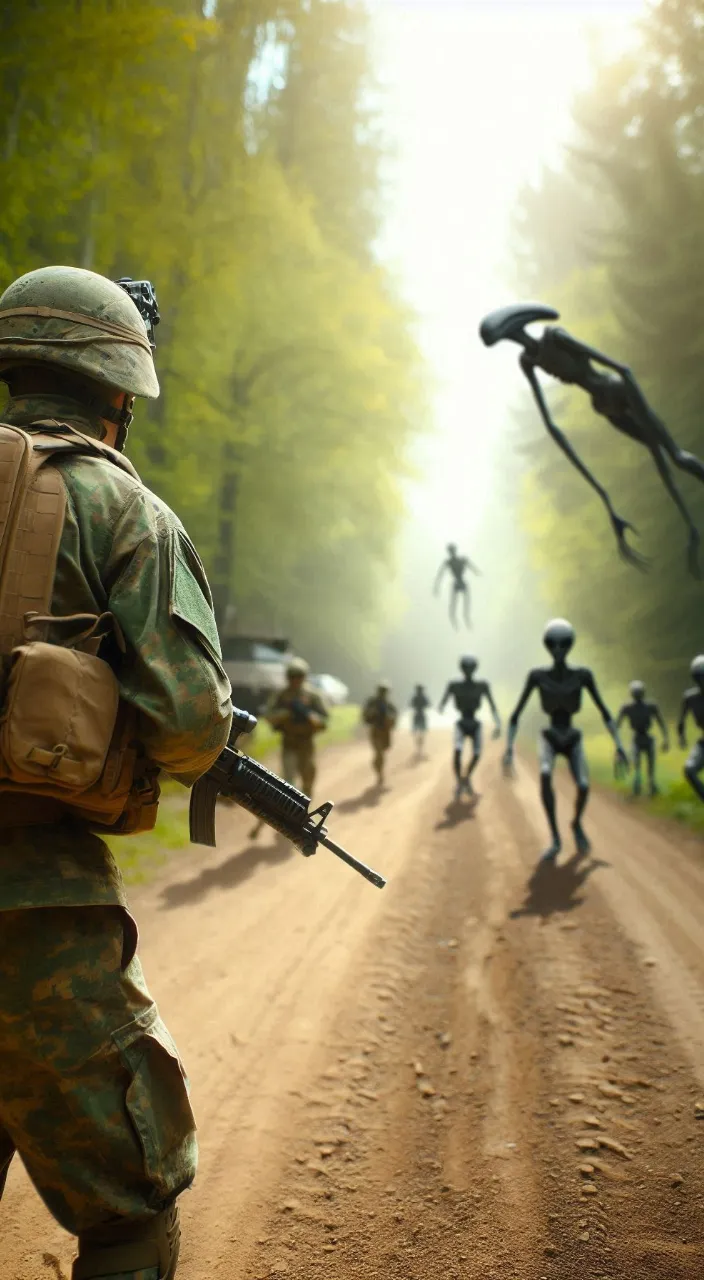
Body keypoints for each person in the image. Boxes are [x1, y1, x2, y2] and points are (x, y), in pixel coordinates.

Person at [0, 265, 232, 1280]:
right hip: (34, 909)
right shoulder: (124, 513)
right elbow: (188, 728)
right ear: (120, 390)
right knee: (133, 1207)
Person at [503, 618, 628, 861]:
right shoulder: (537, 676)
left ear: (570, 645)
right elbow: (516, 714)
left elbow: (604, 711)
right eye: (553, 644)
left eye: (563, 644)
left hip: (572, 736)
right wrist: (509, 748)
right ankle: (555, 839)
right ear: (547, 646)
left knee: (583, 785)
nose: (558, 649)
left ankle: (576, 823)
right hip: (549, 736)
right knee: (546, 773)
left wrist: (619, 745)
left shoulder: (582, 676)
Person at [264, 657, 329, 795]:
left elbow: (324, 720)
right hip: (289, 742)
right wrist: (285, 714)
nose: (295, 680)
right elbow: (268, 715)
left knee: (308, 778)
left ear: (304, 677)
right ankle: (291, 810)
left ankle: (305, 803)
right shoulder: (281, 695)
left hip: (306, 744)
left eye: (299, 676)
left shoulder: (313, 696)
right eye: (292, 676)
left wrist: (311, 717)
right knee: (288, 781)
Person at [438, 655, 500, 799]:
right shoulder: (454, 685)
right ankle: (460, 780)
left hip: (474, 722)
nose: (468, 671)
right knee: (458, 750)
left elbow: (493, 706)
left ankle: (466, 777)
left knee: (477, 753)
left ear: (475, 669)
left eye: (470, 668)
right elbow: (443, 701)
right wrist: (441, 706)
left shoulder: (482, 685)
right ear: (462, 669)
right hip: (462, 722)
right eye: (466, 669)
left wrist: (498, 723)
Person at [616, 680, 669, 796]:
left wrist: (665, 739)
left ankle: (651, 785)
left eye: (638, 692)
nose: (637, 695)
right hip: (637, 738)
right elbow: (617, 726)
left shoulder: (650, 706)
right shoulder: (627, 707)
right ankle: (637, 784)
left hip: (647, 737)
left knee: (651, 764)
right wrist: (618, 745)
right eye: (636, 693)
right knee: (637, 763)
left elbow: (661, 722)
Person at [433, 543, 480, 628]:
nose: (451, 553)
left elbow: (473, 567)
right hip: (458, 583)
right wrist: (436, 587)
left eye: (452, 551)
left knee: (464, 609)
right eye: (450, 551)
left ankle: (466, 621)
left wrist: (477, 572)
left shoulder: (461, 560)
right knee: (453, 609)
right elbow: (440, 575)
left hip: (461, 583)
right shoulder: (449, 562)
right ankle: (458, 624)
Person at [678, 655, 704, 802]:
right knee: (689, 770)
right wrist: (681, 736)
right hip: (703, 743)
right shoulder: (690, 698)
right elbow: (681, 720)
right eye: (699, 677)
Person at [363, 681, 397, 786]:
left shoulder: (389, 704)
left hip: (385, 732)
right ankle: (379, 773)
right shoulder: (372, 703)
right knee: (379, 753)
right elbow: (365, 716)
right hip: (376, 731)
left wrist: (390, 719)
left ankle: (378, 768)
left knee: (383, 751)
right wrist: (373, 713)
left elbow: (394, 717)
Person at [410, 683, 431, 755]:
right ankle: (419, 747)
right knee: (421, 732)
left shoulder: (415, 697)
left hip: (418, 715)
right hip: (421, 715)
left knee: (419, 732)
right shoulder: (423, 697)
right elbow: (429, 705)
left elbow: (411, 705)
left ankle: (419, 747)